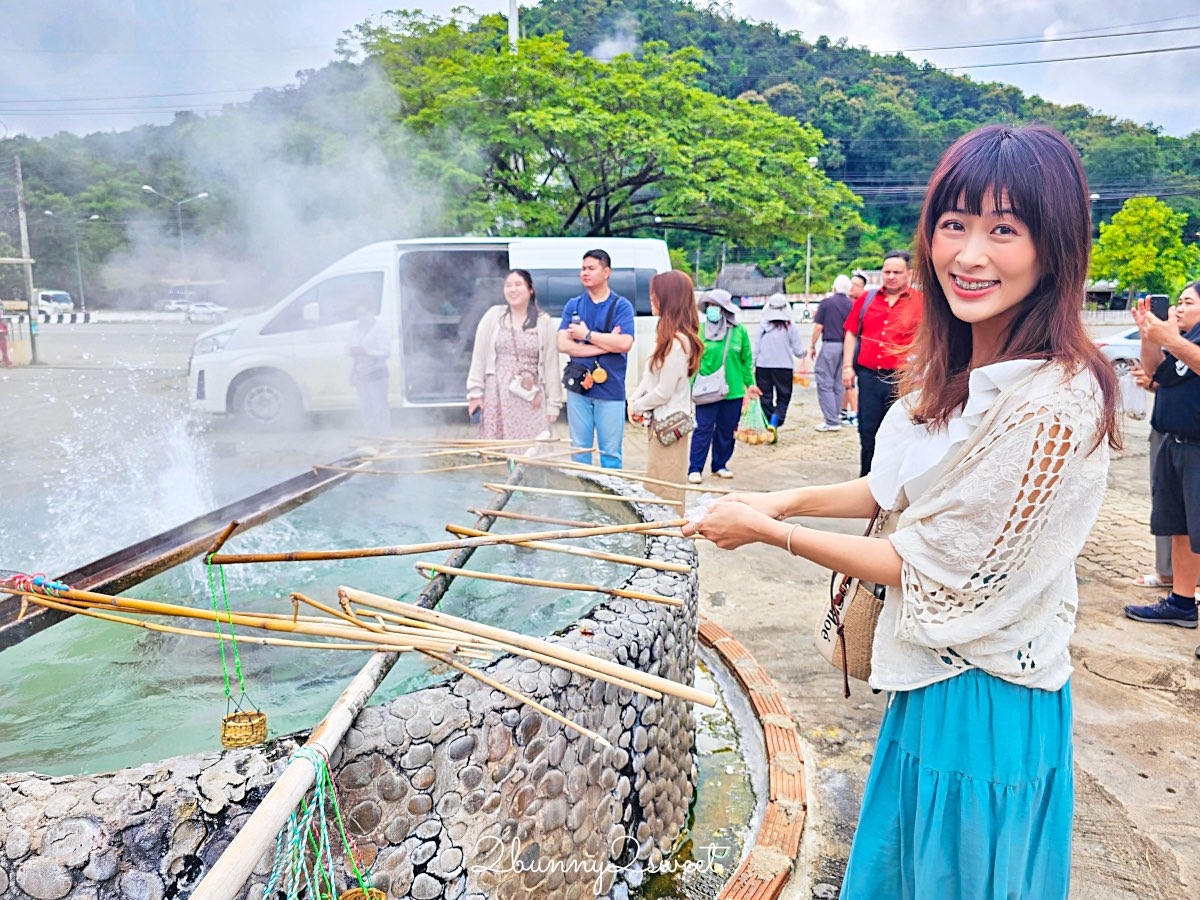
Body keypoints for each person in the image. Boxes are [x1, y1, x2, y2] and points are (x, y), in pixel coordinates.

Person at [682, 123, 1119, 898]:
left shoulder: (1054, 405)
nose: (969, 253)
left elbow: (930, 565)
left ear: (1054, 249)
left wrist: (770, 533)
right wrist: (773, 496)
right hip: (925, 682)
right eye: (954, 225)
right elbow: (890, 490)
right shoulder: (962, 364)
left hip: (988, 699)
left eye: (1004, 230)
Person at [1123, 282, 1200, 630]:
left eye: (1187, 302)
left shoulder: (1186, 343)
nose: (1179, 309)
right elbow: (1157, 375)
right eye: (1178, 302)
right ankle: (1182, 603)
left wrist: (1169, 337)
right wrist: (1149, 335)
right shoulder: (1186, 340)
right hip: (1174, 443)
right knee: (1180, 528)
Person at [842, 251, 924, 475]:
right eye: (886, 271)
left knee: (900, 432)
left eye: (897, 272)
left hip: (903, 380)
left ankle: (892, 482)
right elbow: (851, 332)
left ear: (908, 273)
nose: (891, 276)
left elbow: (933, 337)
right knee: (867, 430)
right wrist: (847, 367)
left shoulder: (921, 302)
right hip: (868, 376)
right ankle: (864, 480)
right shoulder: (867, 299)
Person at [629, 271, 704, 501]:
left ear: (669, 298)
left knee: (667, 490)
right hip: (659, 425)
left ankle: (669, 534)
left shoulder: (678, 342)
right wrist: (633, 399)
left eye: (655, 294)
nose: (651, 299)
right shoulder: (666, 337)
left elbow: (663, 391)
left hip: (670, 428)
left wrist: (636, 405)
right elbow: (649, 377)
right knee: (655, 484)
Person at [558, 249, 636, 468]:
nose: (585, 273)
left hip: (610, 389)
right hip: (578, 389)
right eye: (583, 268)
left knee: (611, 453)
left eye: (591, 268)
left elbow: (624, 343)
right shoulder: (573, 305)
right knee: (579, 450)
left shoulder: (621, 306)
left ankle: (610, 499)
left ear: (606, 272)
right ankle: (581, 500)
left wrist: (586, 336)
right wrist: (604, 345)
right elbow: (562, 344)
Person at [466, 269, 562, 441]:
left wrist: (554, 404)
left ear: (530, 289)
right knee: (499, 448)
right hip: (498, 394)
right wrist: (475, 393)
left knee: (532, 446)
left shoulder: (543, 321)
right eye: (508, 285)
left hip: (531, 394)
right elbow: (479, 356)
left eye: (518, 284)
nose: (512, 289)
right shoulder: (494, 316)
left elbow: (551, 363)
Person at [688, 289, 761, 483]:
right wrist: (690, 384)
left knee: (726, 430)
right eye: (709, 306)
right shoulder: (700, 330)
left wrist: (750, 384)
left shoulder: (739, 331)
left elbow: (746, 360)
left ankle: (720, 464)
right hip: (706, 390)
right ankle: (695, 468)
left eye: (715, 306)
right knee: (703, 429)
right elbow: (692, 359)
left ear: (725, 309)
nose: (712, 310)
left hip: (734, 391)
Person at [752, 293, 805, 428]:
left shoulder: (762, 326)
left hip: (763, 366)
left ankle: (769, 421)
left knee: (765, 397)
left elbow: (755, 348)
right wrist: (804, 353)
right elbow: (798, 351)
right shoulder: (790, 327)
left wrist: (751, 365)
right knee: (784, 396)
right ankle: (776, 418)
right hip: (784, 367)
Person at [810, 276, 855, 432]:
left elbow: (818, 327)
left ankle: (831, 421)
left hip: (831, 345)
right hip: (848, 347)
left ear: (834, 287)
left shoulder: (827, 303)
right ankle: (835, 417)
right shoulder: (852, 304)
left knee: (824, 381)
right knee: (838, 383)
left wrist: (812, 345)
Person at [346, 304, 391, 437]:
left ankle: (384, 436)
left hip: (377, 373)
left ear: (372, 313)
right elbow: (348, 348)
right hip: (361, 373)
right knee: (365, 407)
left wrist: (368, 352)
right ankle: (370, 435)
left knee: (379, 407)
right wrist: (353, 369)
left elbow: (386, 352)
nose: (362, 318)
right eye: (359, 315)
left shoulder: (380, 328)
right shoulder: (354, 329)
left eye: (364, 314)